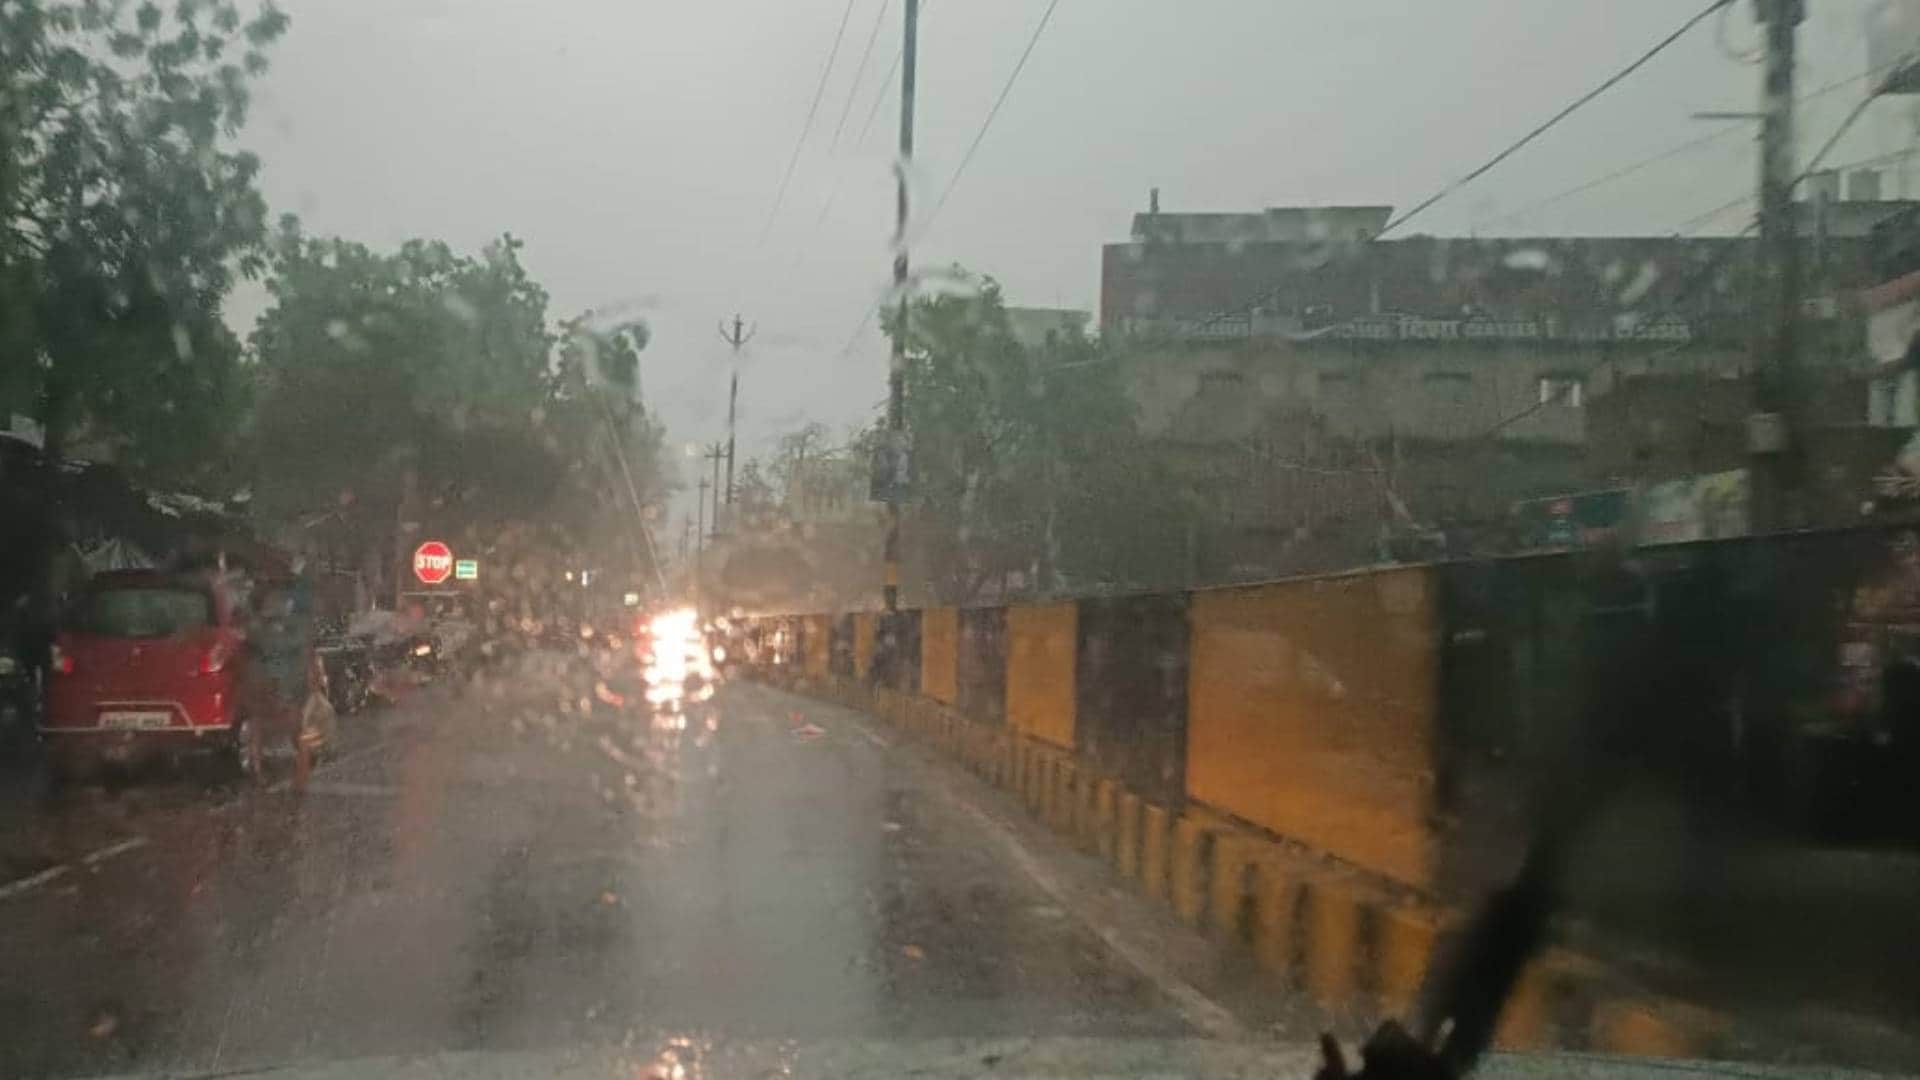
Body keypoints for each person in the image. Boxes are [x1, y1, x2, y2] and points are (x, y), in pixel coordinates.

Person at [240, 573, 321, 788]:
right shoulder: (293, 623)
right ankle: (296, 774)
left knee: (268, 726)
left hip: (275, 681)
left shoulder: (262, 625)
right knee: (291, 729)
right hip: (283, 682)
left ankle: (269, 772)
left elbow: (255, 644)